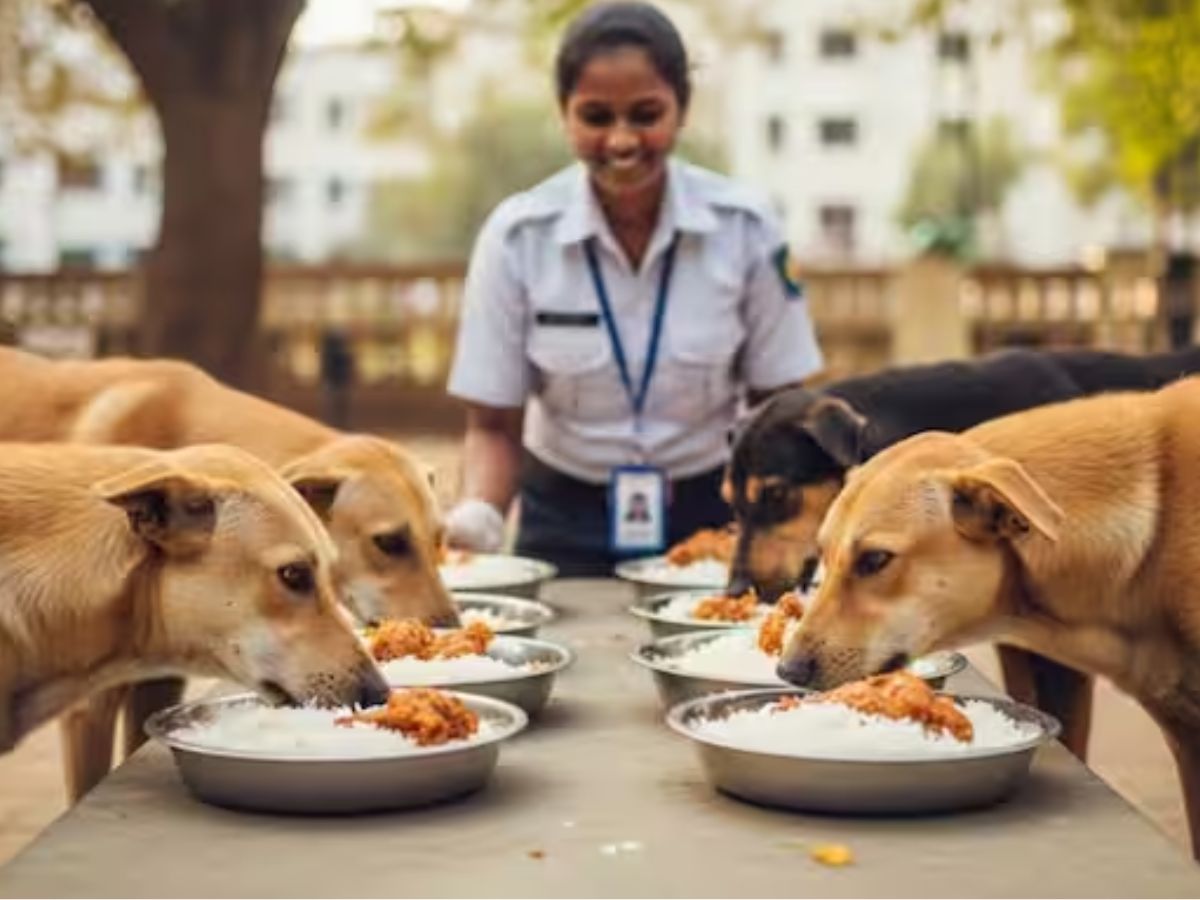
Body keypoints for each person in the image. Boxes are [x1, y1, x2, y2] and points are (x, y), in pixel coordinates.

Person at [444, 1, 822, 576]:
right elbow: (493, 424)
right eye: (596, 117)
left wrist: (775, 527)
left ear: (682, 109)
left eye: (646, 114)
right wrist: (479, 520)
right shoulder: (517, 237)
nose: (622, 141)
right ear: (565, 114)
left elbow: (778, 403)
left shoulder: (747, 229)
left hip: (711, 512)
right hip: (561, 520)